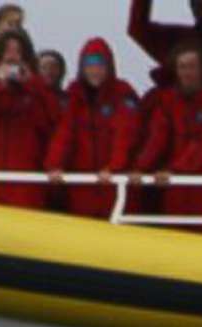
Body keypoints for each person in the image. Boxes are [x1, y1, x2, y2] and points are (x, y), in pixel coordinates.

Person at [133, 41, 202, 233]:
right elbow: (158, 137)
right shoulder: (168, 100)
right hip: (176, 189)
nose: (187, 73)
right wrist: (140, 168)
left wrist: (175, 170)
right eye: (182, 67)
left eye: (191, 67)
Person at [47, 38, 141, 219]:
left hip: (113, 186)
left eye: (100, 65)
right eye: (89, 66)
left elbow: (126, 135)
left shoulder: (122, 94)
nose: (95, 71)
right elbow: (64, 134)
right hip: (82, 187)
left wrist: (113, 168)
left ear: (109, 67)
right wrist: (54, 165)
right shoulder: (74, 95)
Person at [0, 29, 61, 208]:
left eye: (17, 51)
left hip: (24, 179)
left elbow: (52, 118)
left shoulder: (36, 86)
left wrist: (31, 83)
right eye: (7, 50)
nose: (12, 56)